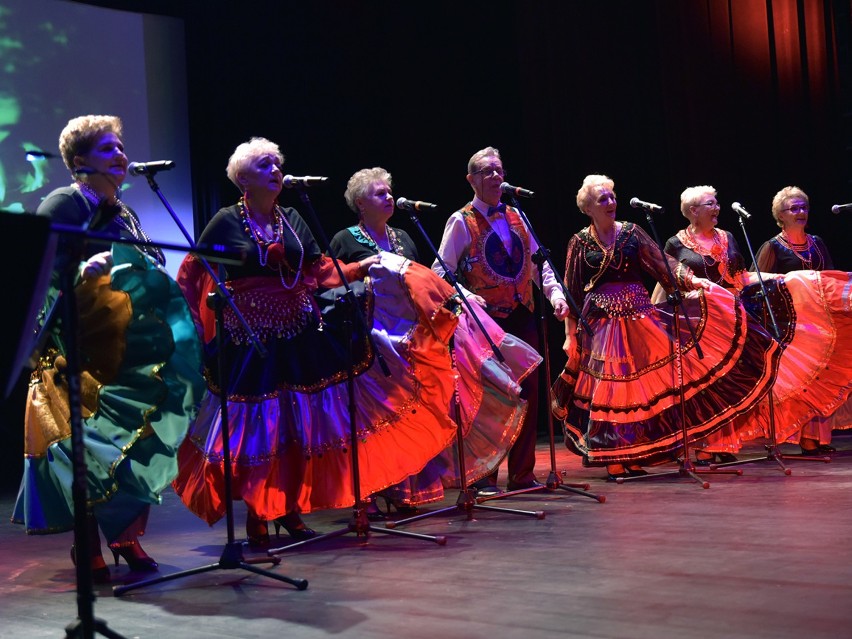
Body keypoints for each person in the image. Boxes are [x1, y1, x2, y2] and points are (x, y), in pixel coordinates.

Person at [172, 140, 462, 545]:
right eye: (264, 164)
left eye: (277, 162)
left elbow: (318, 268)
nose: (275, 169)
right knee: (262, 428)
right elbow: (193, 272)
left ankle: (288, 510)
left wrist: (359, 268)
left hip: (299, 333)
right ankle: (259, 510)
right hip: (251, 342)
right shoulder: (225, 221)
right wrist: (191, 323)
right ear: (243, 179)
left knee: (299, 426)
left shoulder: (291, 217)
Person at [12, 115, 206, 583]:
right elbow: (38, 275)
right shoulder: (63, 203)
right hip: (75, 349)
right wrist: (84, 273)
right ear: (79, 161)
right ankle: (88, 543)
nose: (120, 155)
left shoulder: (125, 211)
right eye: (107, 149)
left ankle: (124, 535)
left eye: (120, 147)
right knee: (89, 450)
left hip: (124, 346)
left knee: (135, 443)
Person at [329, 167, 541, 516]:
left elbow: (424, 282)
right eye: (379, 193)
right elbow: (336, 285)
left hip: (410, 338)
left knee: (410, 413)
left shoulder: (403, 237)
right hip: (373, 337)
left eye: (388, 191)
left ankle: (405, 489)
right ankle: (373, 489)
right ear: (360, 203)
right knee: (379, 417)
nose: (388, 197)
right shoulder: (345, 240)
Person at [551, 175, 781, 480]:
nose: (611, 202)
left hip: (639, 318)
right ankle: (614, 457)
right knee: (612, 391)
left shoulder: (632, 233)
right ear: (588, 207)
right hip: (602, 326)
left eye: (612, 196)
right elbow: (572, 290)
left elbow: (664, 264)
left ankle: (634, 453)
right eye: (603, 199)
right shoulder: (579, 242)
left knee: (641, 389)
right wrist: (570, 335)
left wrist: (694, 281)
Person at [432, 146, 569, 496]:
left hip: (522, 313)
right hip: (485, 322)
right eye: (485, 171)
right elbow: (440, 272)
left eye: (498, 170)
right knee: (492, 396)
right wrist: (464, 294)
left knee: (529, 389)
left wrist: (555, 295)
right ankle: (484, 476)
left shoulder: (517, 215)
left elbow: (540, 264)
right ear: (470, 179)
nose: (495, 176)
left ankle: (523, 474)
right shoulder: (461, 221)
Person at [656, 185, 783, 463]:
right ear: (693, 211)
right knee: (702, 383)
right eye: (710, 204)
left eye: (716, 204)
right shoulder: (675, 244)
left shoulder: (728, 237)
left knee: (727, 381)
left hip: (729, 319)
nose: (717, 209)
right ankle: (700, 445)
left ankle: (723, 445)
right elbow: (666, 283)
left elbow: (740, 277)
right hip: (696, 323)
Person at [750, 186, 852, 454]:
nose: (800, 212)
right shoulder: (772, 247)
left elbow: (830, 278)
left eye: (803, 207)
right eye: (793, 208)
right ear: (780, 215)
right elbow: (754, 284)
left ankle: (820, 439)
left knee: (822, 380)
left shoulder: (817, 242)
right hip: (790, 327)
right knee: (803, 383)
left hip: (820, 324)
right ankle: (804, 439)